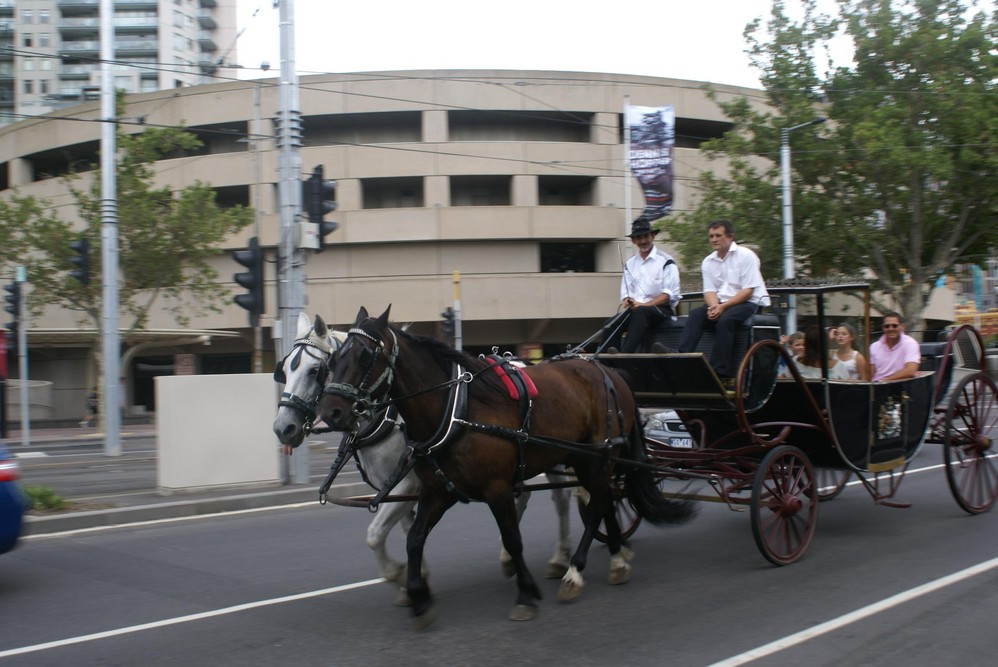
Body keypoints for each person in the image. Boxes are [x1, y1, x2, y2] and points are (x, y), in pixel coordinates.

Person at [678, 219, 769, 381]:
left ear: (730, 236)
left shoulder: (746, 256)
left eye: (718, 235)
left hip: (749, 302)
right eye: (711, 236)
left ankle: (719, 371)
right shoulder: (708, 262)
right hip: (721, 302)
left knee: (726, 320)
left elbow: (748, 291)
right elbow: (709, 291)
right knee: (695, 315)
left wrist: (722, 307)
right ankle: (682, 358)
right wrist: (714, 306)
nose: (714, 239)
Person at [615, 218, 682, 353]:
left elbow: (668, 296)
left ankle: (624, 356)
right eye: (639, 238)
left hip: (661, 311)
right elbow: (626, 293)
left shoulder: (666, 261)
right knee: (611, 324)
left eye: (646, 236)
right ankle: (604, 362)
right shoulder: (630, 264)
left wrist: (643, 306)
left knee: (641, 312)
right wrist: (628, 300)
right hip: (637, 312)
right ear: (634, 241)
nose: (643, 241)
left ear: (652, 236)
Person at [869, 311, 921, 382]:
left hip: (899, 385)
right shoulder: (874, 346)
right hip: (876, 386)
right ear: (883, 328)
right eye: (887, 326)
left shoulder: (910, 344)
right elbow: (870, 374)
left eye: (894, 326)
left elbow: (910, 370)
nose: (890, 329)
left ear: (902, 327)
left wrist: (886, 380)